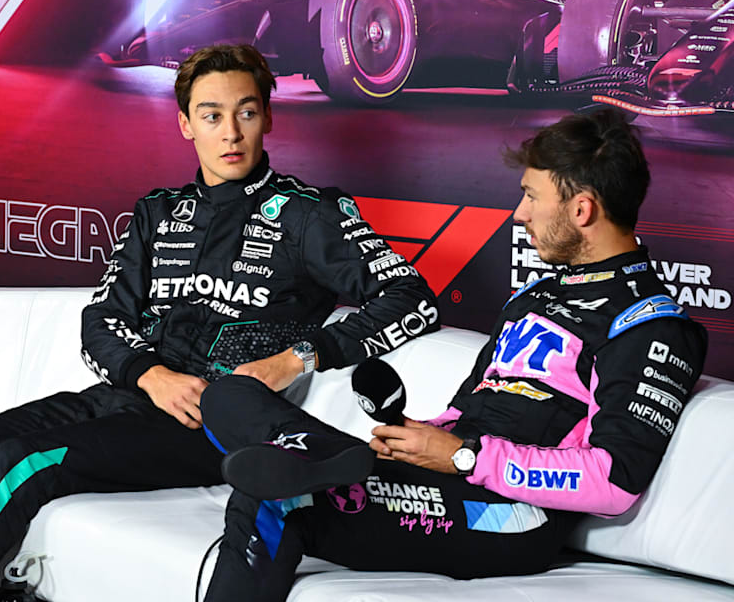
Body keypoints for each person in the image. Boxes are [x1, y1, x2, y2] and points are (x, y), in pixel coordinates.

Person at [0, 43, 439, 602]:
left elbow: (412, 296)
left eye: (246, 111)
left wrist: (302, 356)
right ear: (185, 123)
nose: (231, 132)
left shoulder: (310, 213)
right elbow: (102, 321)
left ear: (268, 116)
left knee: (26, 464)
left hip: (220, 422)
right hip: (139, 396)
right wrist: (147, 372)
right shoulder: (160, 212)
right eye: (212, 115)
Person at [201, 108, 708, 601]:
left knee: (276, 498)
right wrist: (422, 436)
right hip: (445, 475)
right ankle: (314, 453)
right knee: (230, 392)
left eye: (531, 196)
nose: (520, 213)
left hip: (511, 514)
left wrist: (465, 457)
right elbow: (472, 408)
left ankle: (310, 458)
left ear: (582, 210)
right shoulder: (531, 297)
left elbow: (615, 480)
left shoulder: (650, 327)